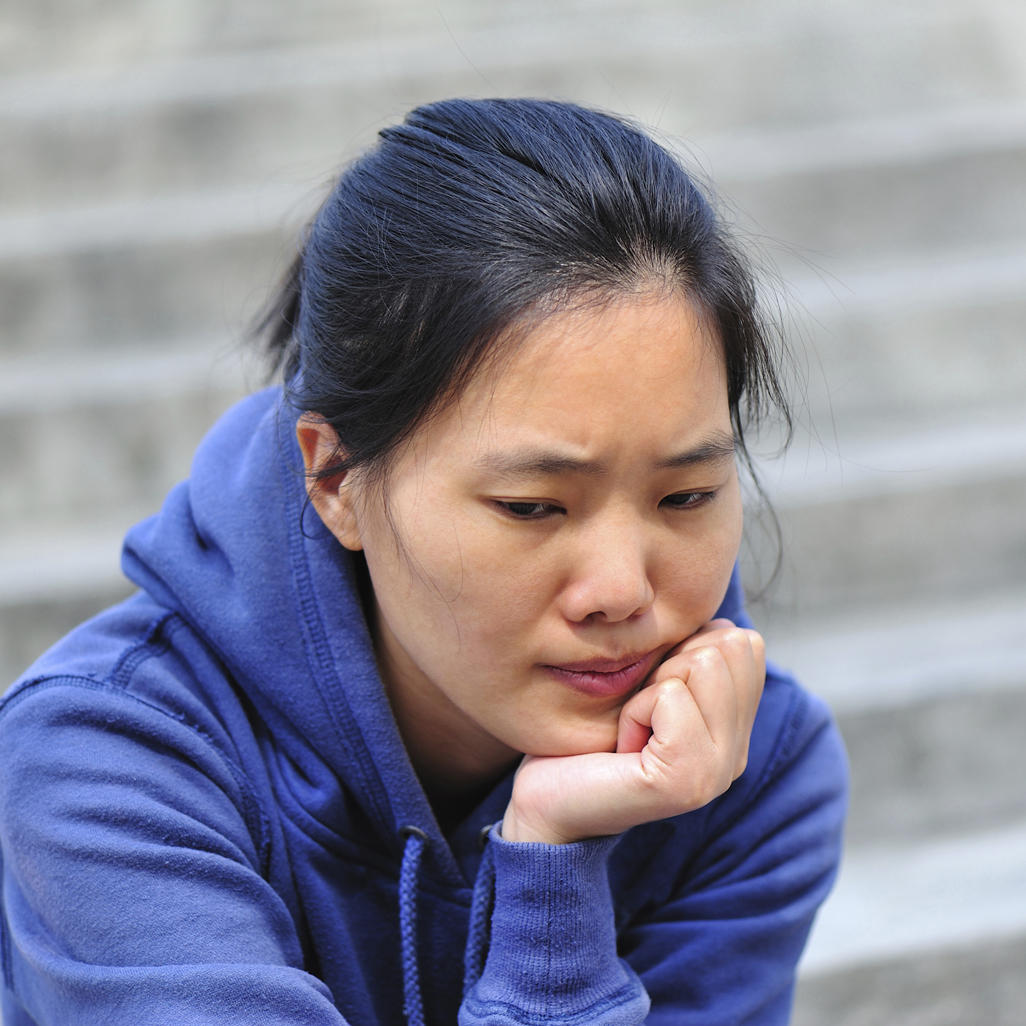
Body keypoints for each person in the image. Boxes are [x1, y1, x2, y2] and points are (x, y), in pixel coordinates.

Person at [0, 98, 847, 1025]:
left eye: (685, 497)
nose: (621, 591)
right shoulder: (110, 764)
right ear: (335, 479)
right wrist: (553, 885)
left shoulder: (747, 775)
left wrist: (555, 852)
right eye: (532, 507)